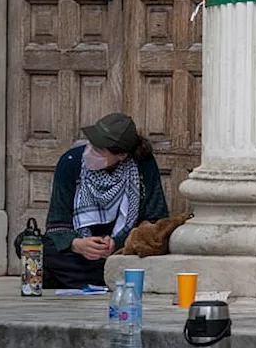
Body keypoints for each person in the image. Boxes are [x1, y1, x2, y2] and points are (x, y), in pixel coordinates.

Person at [42, 112, 168, 289]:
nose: (90, 152)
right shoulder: (71, 161)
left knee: (148, 255)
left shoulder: (143, 164)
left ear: (122, 155)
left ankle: (73, 278)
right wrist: (76, 244)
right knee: (31, 247)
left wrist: (117, 242)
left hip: (121, 250)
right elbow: (57, 222)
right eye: (91, 145)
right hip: (80, 249)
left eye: (99, 151)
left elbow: (156, 218)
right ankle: (100, 279)